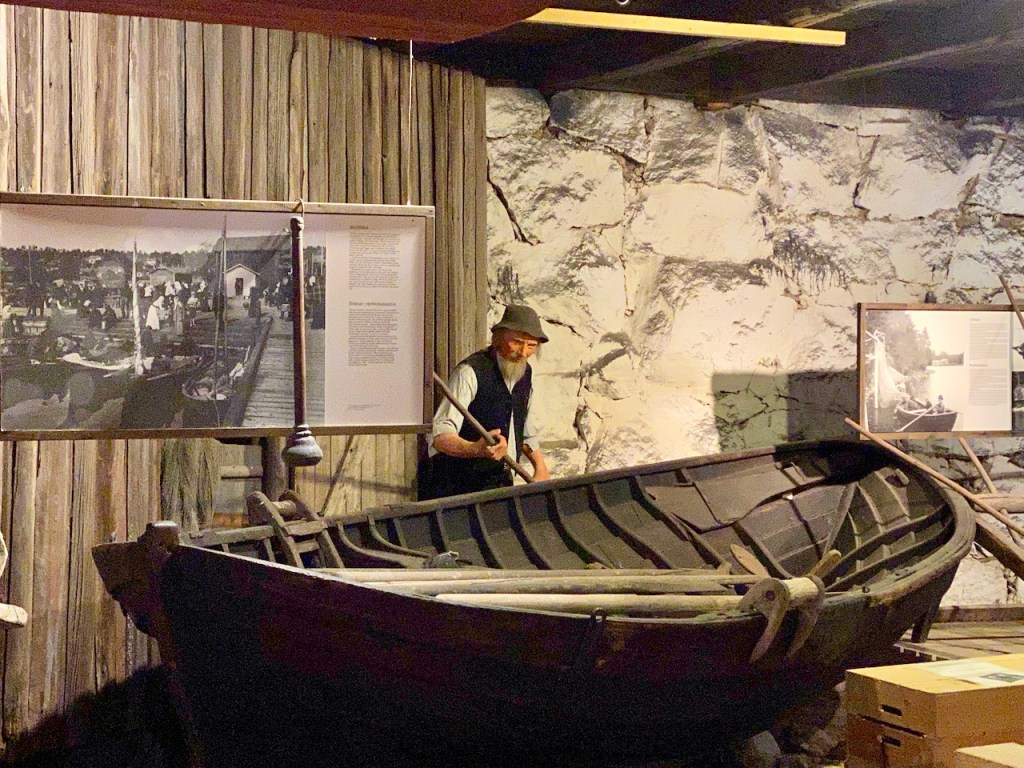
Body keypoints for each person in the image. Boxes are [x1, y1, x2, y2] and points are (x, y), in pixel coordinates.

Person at [426, 304, 551, 499]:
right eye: (517, 342)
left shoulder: (525, 373)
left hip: (501, 485)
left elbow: (525, 431)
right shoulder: (470, 372)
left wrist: (540, 467)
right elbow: (439, 436)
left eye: (531, 346)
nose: (523, 352)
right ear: (499, 337)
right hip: (459, 489)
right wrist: (475, 449)